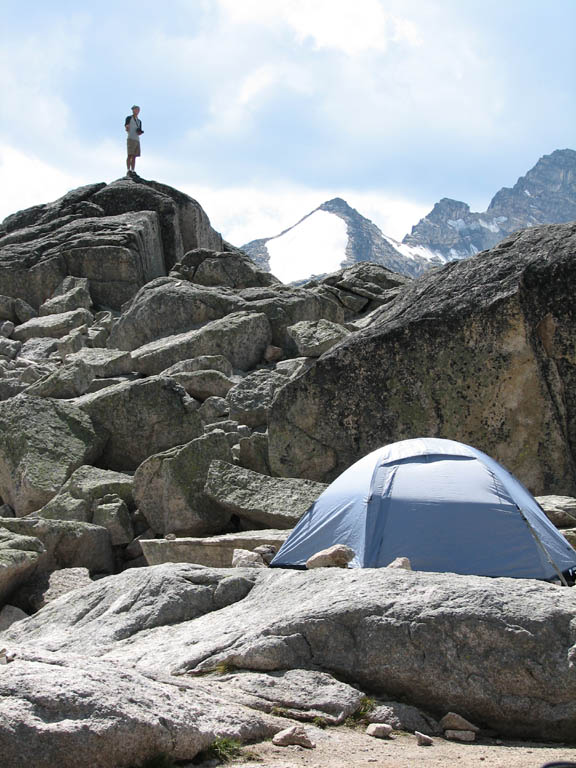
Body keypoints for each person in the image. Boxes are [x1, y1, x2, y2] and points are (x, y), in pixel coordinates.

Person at [125, 105, 143, 174]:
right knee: (130, 154)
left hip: (137, 139)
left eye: (138, 110)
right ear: (133, 110)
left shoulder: (139, 121)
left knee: (134, 156)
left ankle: (133, 170)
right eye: (136, 109)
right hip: (131, 138)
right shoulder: (129, 118)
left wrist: (140, 132)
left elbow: (139, 132)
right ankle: (128, 169)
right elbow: (126, 128)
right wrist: (127, 127)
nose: (137, 111)